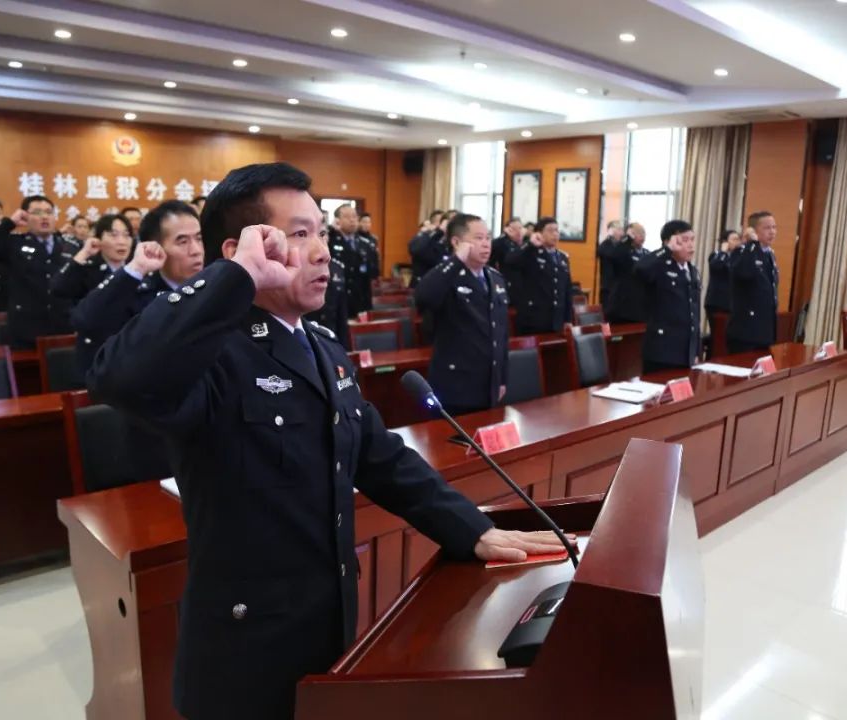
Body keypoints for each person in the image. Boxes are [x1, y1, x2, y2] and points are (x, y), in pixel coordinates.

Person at [86, 162, 566, 720]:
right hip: (245, 658)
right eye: (298, 235)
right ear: (240, 252)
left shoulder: (321, 345)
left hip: (328, 624)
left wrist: (472, 528)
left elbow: (379, 457)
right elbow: (119, 378)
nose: (322, 252)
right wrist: (232, 279)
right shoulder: (212, 356)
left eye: (321, 232)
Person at [72, 200, 203, 374]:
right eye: (183, 241)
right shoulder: (138, 293)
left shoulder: (214, 285)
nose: (196, 250)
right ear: (156, 247)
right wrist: (137, 268)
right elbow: (85, 320)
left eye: (199, 239)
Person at [415, 213, 509, 415]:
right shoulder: (447, 275)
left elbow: (501, 333)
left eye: (488, 237)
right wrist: (457, 260)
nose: (486, 244)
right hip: (456, 385)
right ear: (457, 242)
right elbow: (423, 297)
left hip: (488, 383)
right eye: (478, 238)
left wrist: (501, 379)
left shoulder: (495, 278)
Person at [0, 195, 78, 349]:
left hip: (63, 327)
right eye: (37, 212)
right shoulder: (15, 243)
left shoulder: (70, 246)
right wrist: (9, 223)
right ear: (25, 217)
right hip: (26, 329)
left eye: (49, 212)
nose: (44, 217)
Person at [636, 220, 701, 373]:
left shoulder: (692, 271)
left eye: (692, 239)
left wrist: (696, 350)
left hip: (686, 352)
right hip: (662, 352)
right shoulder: (660, 267)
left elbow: (694, 314)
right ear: (668, 242)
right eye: (684, 240)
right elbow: (639, 269)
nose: (691, 245)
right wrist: (667, 250)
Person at [502, 216, 572, 335]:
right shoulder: (530, 253)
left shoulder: (562, 257)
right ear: (539, 233)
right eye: (550, 230)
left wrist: (568, 319)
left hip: (556, 320)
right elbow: (510, 260)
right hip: (534, 320)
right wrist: (530, 244)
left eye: (556, 230)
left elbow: (567, 290)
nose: (555, 234)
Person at [50, 214, 134, 304]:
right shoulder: (88, 270)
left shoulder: (137, 270)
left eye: (126, 235)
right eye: (113, 235)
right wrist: (84, 252)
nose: (122, 242)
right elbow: (57, 287)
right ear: (98, 239)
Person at [727, 211, 779, 354]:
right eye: (767, 228)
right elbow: (745, 273)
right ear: (753, 231)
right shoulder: (742, 252)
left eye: (774, 227)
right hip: (746, 331)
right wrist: (752, 243)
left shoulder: (769, 254)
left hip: (765, 330)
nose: (772, 232)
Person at [328, 205, 378, 316]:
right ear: (337, 221)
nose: (352, 220)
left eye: (354, 216)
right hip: (338, 301)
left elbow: (372, 273)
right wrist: (331, 229)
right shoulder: (330, 242)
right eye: (347, 216)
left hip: (360, 300)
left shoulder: (366, 244)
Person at [604, 222, 650, 324]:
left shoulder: (647, 253)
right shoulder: (624, 251)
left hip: (640, 304)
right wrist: (627, 239)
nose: (641, 236)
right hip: (622, 304)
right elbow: (613, 255)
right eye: (636, 233)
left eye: (642, 233)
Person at [304, 256, 349, 350]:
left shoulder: (336, 268)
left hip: (332, 336)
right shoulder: (303, 267)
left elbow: (341, 315)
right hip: (307, 338)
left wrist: (343, 349)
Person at [408, 209, 455, 286]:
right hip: (424, 286)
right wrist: (439, 231)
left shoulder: (453, 243)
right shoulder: (426, 238)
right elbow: (416, 249)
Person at [704, 229, 740, 330]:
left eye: (738, 239)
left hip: (732, 304)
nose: (737, 242)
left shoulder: (738, 258)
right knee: (718, 334)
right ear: (725, 242)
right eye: (734, 239)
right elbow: (716, 266)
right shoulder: (716, 255)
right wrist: (723, 252)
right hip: (717, 303)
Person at [596, 220, 624, 307]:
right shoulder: (605, 245)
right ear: (611, 230)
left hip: (619, 286)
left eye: (622, 230)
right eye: (619, 229)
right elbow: (609, 255)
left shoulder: (621, 245)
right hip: (608, 287)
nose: (622, 233)